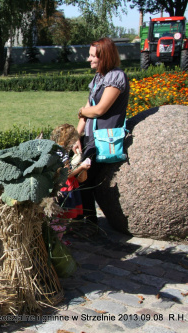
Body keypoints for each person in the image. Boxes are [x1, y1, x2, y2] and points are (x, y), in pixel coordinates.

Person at [72, 37, 130, 233]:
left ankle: (89, 223)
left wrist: (82, 111)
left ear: (103, 57)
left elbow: (99, 110)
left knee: (85, 178)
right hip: (92, 138)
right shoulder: (99, 78)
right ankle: (84, 219)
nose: (89, 59)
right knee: (80, 177)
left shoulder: (116, 77)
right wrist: (75, 137)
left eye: (92, 56)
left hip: (105, 139)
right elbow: (89, 108)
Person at [50, 124, 91, 221]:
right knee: (64, 215)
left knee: (58, 215)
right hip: (65, 187)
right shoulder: (62, 153)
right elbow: (67, 174)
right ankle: (61, 231)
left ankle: (59, 230)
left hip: (57, 184)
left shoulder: (54, 149)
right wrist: (81, 167)